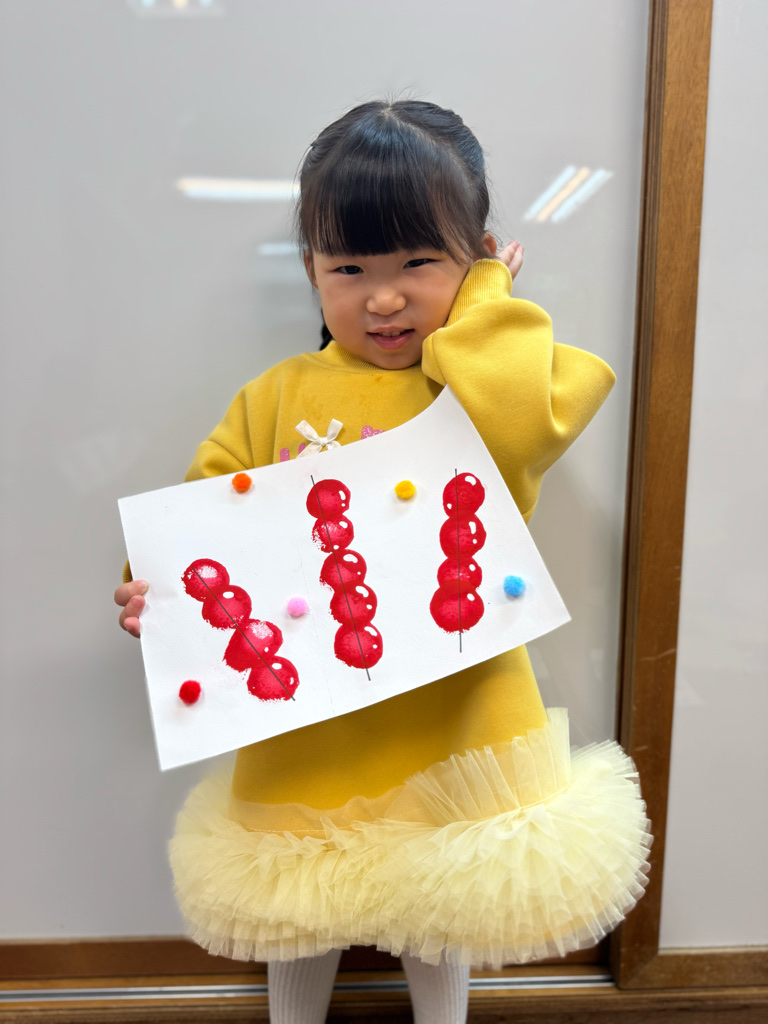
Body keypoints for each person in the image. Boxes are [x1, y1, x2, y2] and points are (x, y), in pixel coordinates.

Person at [115, 100, 651, 1024]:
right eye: (350, 269)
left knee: (447, 896)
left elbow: (519, 427)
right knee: (300, 900)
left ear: (477, 260)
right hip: (312, 717)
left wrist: (486, 307)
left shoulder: (476, 385)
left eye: (419, 263)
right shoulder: (277, 394)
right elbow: (200, 525)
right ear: (312, 272)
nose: (385, 297)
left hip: (454, 704)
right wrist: (155, 597)